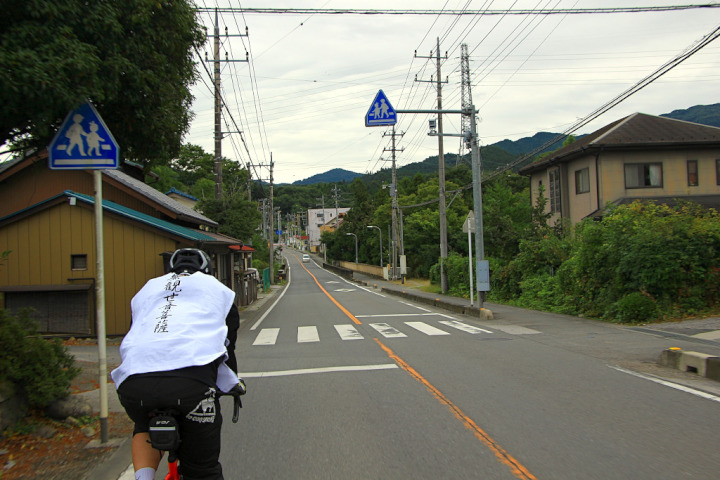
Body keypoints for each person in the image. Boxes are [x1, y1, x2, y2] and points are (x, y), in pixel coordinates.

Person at [111, 248, 242, 480]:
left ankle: (143, 477)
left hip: (134, 382)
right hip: (192, 383)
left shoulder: (148, 288)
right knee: (202, 470)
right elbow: (226, 347)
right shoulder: (218, 290)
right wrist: (231, 382)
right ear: (207, 270)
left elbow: (136, 332)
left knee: (143, 424)